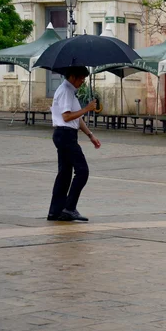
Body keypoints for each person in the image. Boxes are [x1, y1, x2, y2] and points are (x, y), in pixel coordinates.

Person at [48, 66, 101, 222]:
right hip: (65, 135)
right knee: (82, 171)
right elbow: (67, 117)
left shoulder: (70, 92)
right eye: (81, 78)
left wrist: (90, 135)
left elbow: (76, 119)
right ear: (72, 77)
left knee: (64, 174)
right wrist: (86, 109)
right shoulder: (65, 91)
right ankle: (69, 208)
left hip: (66, 134)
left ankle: (56, 211)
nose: (82, 82)